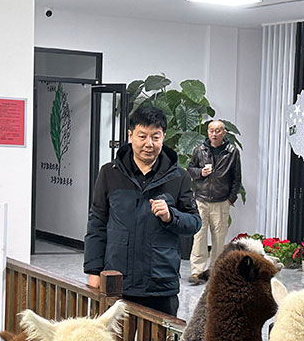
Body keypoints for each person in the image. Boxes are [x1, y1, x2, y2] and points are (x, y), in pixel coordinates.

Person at [83, 105, 201, 316]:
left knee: (161, 338)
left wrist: (171, 216)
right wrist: (93, 271)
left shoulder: (179, 177)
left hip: (160, 284)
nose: (149, 144)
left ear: (163, 137)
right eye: (142, 136)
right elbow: (97, 223)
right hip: (117, 281)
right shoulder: (110, 173)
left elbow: (194, 223)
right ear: (130, 136)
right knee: (115, 338)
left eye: (155, 137)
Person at [186, 119, 241, 284]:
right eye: (211, 130)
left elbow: (236, 178)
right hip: (201, 200)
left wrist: (230, 199)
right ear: (208, 132)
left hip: (221, 201)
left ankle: (214, 272)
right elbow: (190, 169)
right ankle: (196, 272)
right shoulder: (199, 150)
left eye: (218, 130)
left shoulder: (232, 152)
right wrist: (200, 173)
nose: (214, 134)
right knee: (199, 236)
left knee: (218, 238)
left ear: (224, 133)